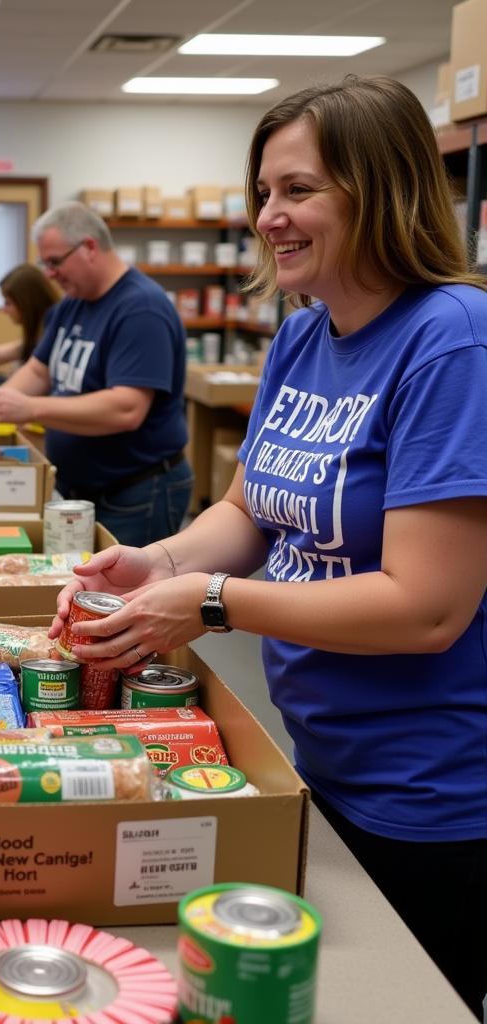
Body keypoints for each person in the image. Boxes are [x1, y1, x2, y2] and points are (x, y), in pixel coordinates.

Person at [50, 76, 487, 1018]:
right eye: (262, 194)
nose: (269, 219)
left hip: (434, 792)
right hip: (316, 753)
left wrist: (212, 602)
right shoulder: (301, 338)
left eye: (298, 191)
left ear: (380, 189)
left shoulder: (453, 342)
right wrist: (158, 564)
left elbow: (428, 607)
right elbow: (250, 514)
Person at [0, 202, 193, 547]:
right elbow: (38, 369)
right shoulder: (71, 304)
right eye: (45, 264)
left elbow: (126, 408)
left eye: (55, 262)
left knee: (124, 597)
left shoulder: (140, 308)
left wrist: (30, 409)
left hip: (136, 492)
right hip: (84, 489)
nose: (49, 274)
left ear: (89, 247)